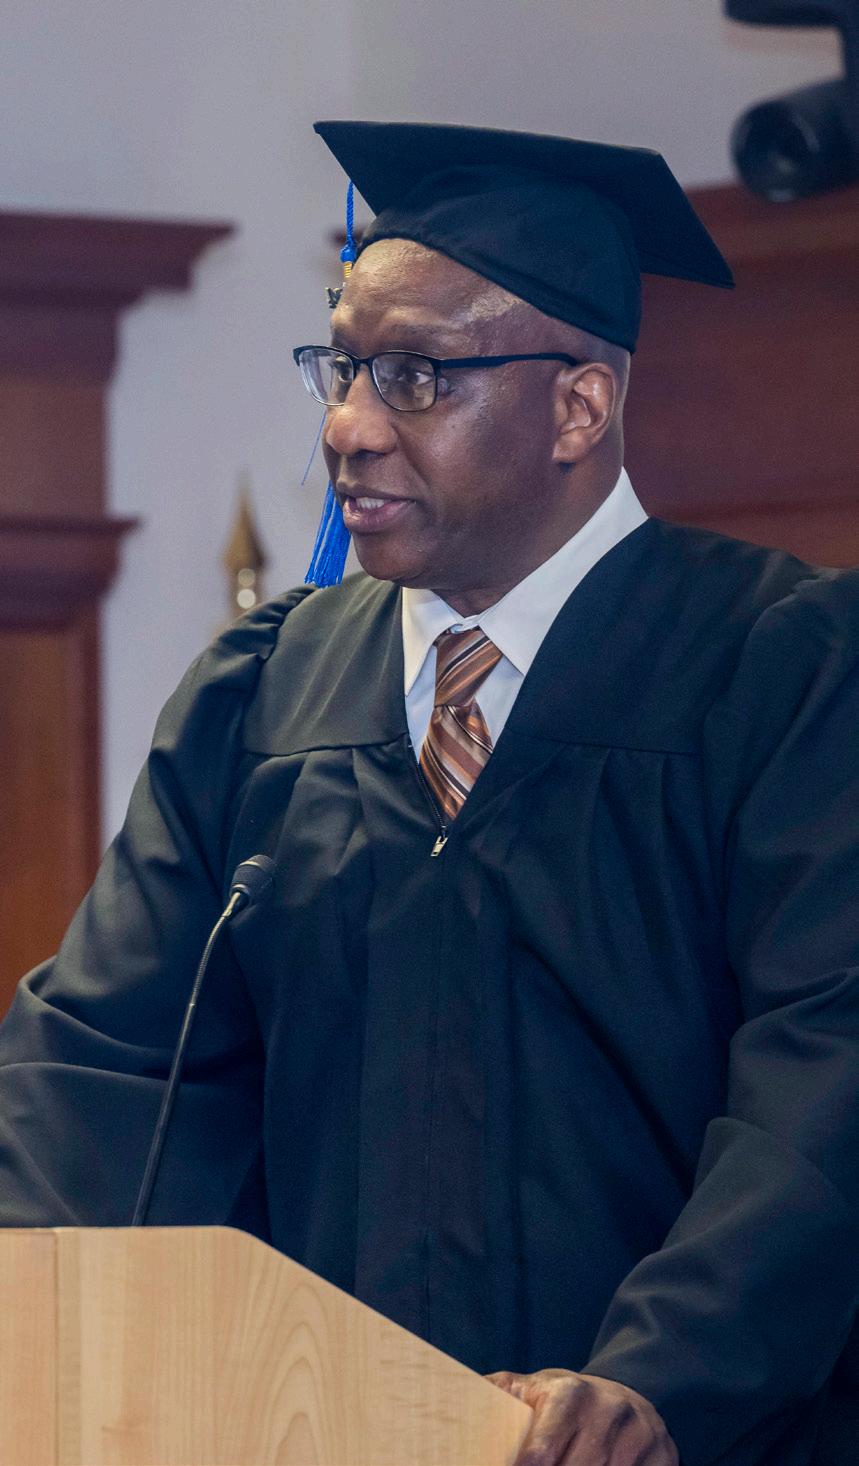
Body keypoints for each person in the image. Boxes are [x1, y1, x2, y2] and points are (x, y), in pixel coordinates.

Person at [0, 120, 856, 1466]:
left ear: (579, 408)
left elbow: (827, 1077)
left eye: (415, 376)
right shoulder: (263, 693)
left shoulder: (778, 670)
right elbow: (99, 1063)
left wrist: (655, 1379)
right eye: (341, 368)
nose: (348, 426)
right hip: (325, 1434)